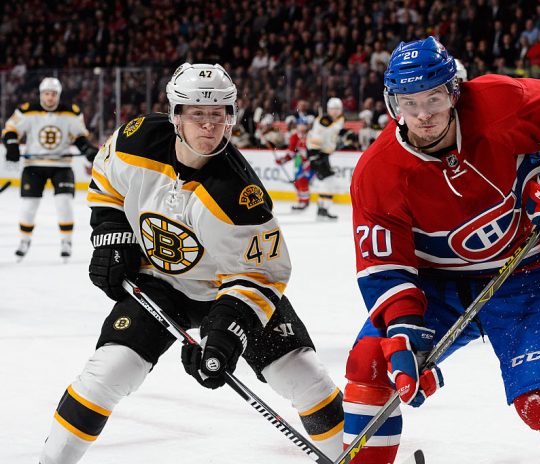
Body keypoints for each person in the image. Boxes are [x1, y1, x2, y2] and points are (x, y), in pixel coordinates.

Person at [39, 63, 343, 464]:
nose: (209, 125)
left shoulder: (241, 194)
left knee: (306, 378)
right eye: (198, 114)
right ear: (175, 115)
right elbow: (106, 182)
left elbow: (261, 274)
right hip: (159, 283)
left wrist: (228, 331)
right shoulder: (137, 140)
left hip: (226, 292)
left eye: (219, 114)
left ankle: (346, 456)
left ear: (231, 117)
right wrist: (112, 235)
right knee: (107, 373)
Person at [342, 37, 540, 464]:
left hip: (518, 277)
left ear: (454, 91)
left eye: (434, 99)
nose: (423, 114)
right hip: (435, 286)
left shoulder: (502, 101)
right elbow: (385, 266)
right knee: (373, 365)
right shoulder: (377, 173)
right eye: (408, 102)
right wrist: (404, 332)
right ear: (391, 102)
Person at [1, 77, 98, 261]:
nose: (50, 97)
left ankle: (66, 241)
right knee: (29, 206)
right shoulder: (27, 111)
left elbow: (79, 137)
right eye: (46, 94)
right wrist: (12, 144)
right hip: (34, 166)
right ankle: (24, 240)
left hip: (61, 166)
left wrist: (87, 149)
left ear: (58, 95)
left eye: (53, 94)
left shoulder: (71, 112)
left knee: (64, 203)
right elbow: (10, 130)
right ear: (41, 94)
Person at [306, 97, 344, 220]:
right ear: (328, 109)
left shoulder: (339, 120)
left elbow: (332, 135)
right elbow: (315, 136)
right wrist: (313, 155)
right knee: (329, 180)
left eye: (337, 108)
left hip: (325, 154)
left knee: (326, 181)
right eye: (333, 108)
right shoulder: (324, 120)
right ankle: (323, 209)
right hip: (318, 154)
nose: (335, 111)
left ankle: (322, 209)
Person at [275, 117, 313, 210]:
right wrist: (283, 160)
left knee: (302, 180)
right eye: (300, 124)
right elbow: (292, 153)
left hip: (311, 162)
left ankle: (304, 201)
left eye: (304, 125)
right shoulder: (295, 136)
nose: (302, 127)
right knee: (298, 182)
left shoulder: (311, 135)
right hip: (300, 162)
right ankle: (302, 200)